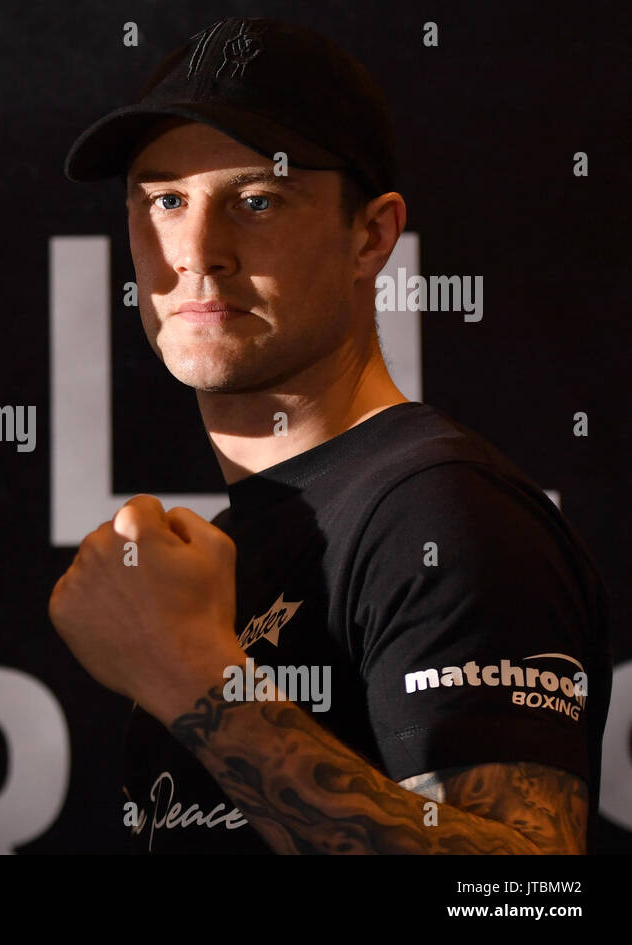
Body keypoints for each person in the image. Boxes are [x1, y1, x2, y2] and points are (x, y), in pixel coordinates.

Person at [50, 16, 610, 853]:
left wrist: (192, 679)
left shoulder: (439, 514)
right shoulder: (243, 539)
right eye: (165, 199)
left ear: (371, 234)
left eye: (257, 200)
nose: (197, 254)